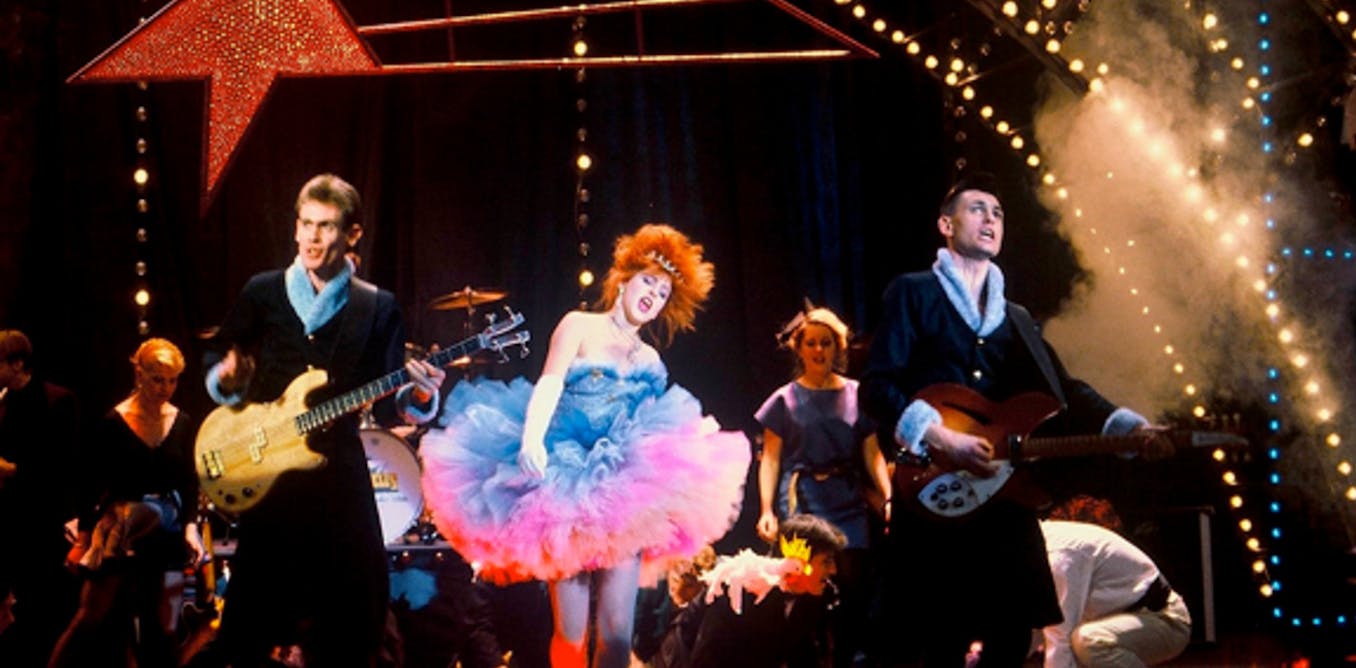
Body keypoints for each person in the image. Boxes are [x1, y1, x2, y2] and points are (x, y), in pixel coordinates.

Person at [858, 172, 1172, 666]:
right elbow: (877, 387)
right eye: (977, 208)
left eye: (998, 213)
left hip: (1001, 498)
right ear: (946, 224)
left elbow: (1064, 389)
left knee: (1010, 636)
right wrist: (939, 436)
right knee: (939, 640)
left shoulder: (1016, 317)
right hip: (932, 493)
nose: (990, 219)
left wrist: (1128, 427)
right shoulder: (914, 293)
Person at [420, 223, 750, 668]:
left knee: (616, 633)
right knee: (571, 633)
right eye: (648, 281)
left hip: (624, 490)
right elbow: (550, 381)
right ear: (625, 278)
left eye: (664, 292)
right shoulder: (579, 325)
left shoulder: (651, 359)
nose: (653, 295)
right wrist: (533, 437)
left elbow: (650, 429)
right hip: (568, 482)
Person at [194, 173, 446, 667]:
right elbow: (219, 358)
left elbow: (391, 405)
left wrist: (418, 393)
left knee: (358, 606)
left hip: (338, 471)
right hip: (271, 471)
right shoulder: (263, 291)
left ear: (352, 234)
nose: (311, 237)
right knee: (253, 610)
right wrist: (228, 375)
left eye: (326, 226)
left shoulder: (376, 306)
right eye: (305, 224)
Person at [48, 338, 205, 667]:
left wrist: (191, 528)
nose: (165, 388)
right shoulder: (114, 422)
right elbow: (90, 484)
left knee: (165, 629)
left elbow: (189, 482)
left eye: (172, 380)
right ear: (139, 374)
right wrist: (83, 539)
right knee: (90, 619)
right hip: (121, 526)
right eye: (157, 379)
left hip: (167, 529)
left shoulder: (183, 422)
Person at [754, 305, 890, 667]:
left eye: (826, 343)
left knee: (853, 585)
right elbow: (771, 459)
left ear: (837, 347)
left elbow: (873, 452)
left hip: (846, 498)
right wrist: (767, 509)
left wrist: (888, 496)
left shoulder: (856, 394)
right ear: (799, 348)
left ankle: (849, 657)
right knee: (805, 587)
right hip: (802, 500)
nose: (819, 350)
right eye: (811, 343)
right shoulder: (784, 399)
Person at [657, 513, 847, 668]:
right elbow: (707, 654)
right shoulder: (743, 587)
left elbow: (803, 655)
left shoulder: (815, 596)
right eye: (826, 561)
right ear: (799, 561)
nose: (833, 570)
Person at [0, 329, 81, 666]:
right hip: (12, 528)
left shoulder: (57, 401)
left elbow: (65, 467)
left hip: (47, 528)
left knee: (47, 617)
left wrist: (11, 470)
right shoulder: (4, 403)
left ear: (18, 364)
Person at [1038, 497, 1191, 667]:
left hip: (1166, 620)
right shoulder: (1044, 546)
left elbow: (1059, 634)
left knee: (1089, 641)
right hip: (1125, 620)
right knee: (1074, 644)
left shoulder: (1061, 553)